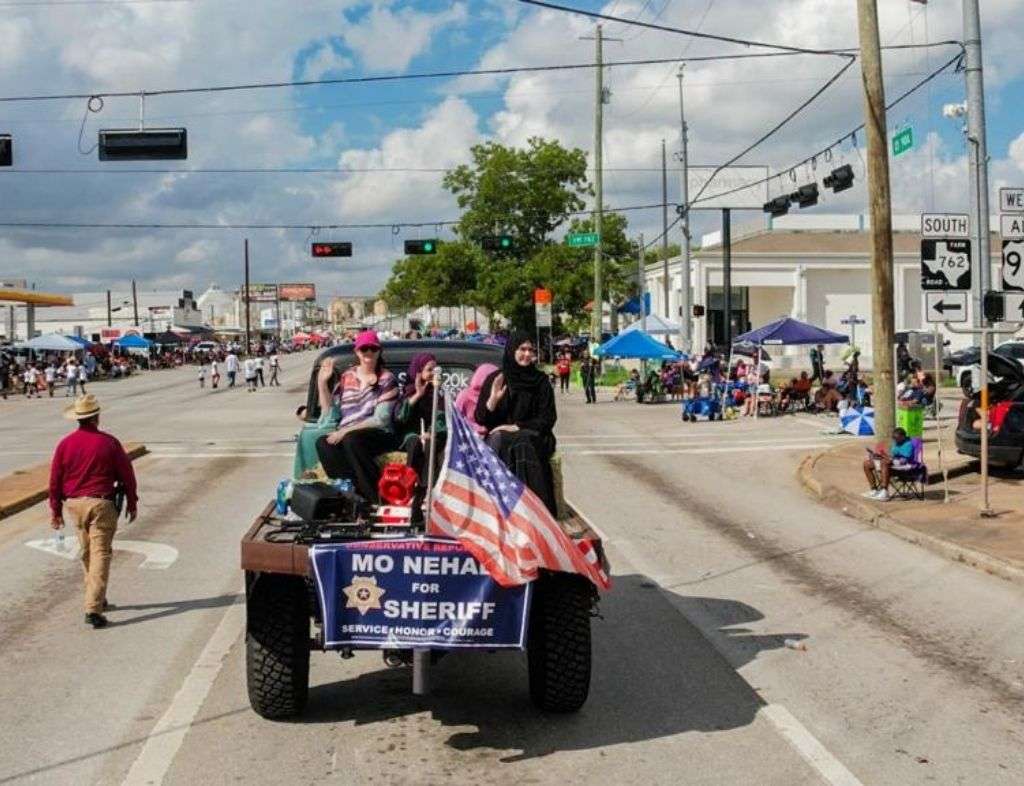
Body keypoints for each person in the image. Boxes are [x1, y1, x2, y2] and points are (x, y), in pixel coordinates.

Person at [48, 394, 139, 628]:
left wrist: (55, 510)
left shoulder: (65, 444)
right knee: (100, 553)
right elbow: (127, 474)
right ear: (96, 416)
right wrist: (132, 500)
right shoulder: (108, 442)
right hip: (101, 504)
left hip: (74, 505)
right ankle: (93, 608)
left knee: (87, 551)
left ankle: (95, 595)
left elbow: (55, 480)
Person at [475, 333, 558, 515]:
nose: (527, 354)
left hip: (533, 434)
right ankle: (498, 509)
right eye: (522, 349)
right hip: (500, 438)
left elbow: (548, 418)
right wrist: (493, 401)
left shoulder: (540, 381)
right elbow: (481, 418)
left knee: (522, 440)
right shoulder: (497, 379)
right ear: (512, 350)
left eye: (530, 350)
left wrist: (518, 426)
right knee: (500, 439)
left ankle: (536, 512)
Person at [315, 331, 400, 500]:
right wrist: (322, 382)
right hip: (348, 433)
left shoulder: (386, 378)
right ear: (357, 352)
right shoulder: (347, 377)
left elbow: (381, 419)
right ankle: (349, 492)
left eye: (373, 349)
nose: (368, 352)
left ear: (379, 351)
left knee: (352, 440)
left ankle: (376, 497)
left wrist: (345, 431)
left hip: (377, 433)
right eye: (364, 349)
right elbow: (330, 411)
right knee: (323, 443)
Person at [393, 353, 447, 522]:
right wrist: (417, 395)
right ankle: (407, 489)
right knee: (415, 444)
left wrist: (432, 431)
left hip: (431, 434)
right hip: (411, 434)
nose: (432, 374)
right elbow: (400, 417)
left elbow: (442, 419)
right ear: (418, 371)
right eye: (429, 369)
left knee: (432, 444)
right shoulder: (408, 391)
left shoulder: (437, 394)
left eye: (435, 370)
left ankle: (423, 490)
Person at [862, 428, 915, 502]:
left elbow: (904, 460)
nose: (895, 440)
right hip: (892, 463)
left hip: (905, 466)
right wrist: (881, 456)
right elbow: (893, 456)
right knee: (867, 464)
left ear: (903, 437)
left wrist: (889, 459)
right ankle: (873, 489)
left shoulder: (908, 444)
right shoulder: (896, 443)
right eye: (894, 438)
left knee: (884, 462)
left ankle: (884, 491)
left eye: (897, 438)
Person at [454, 363, 499, 437]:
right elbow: (457, 419)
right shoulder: (465, 395)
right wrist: (477, 428)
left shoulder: (495, 396)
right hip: (467, 438)